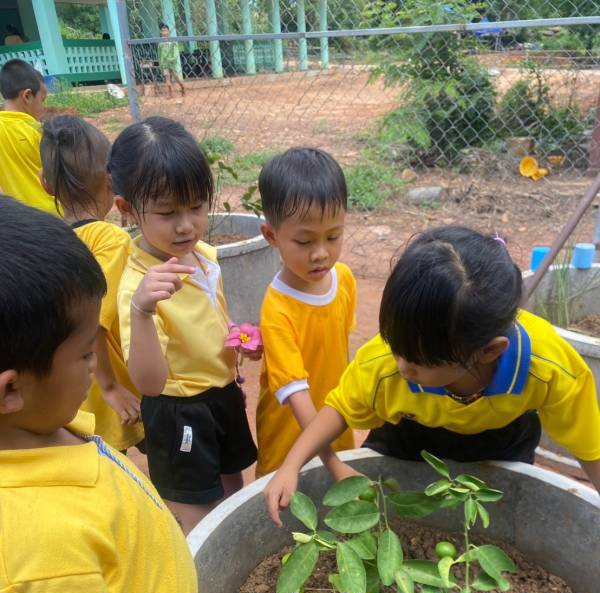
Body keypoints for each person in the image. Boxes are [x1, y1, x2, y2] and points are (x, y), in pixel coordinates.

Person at [0, 195, 240, 593]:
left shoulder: (49, 428)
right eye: (86, 354)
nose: (97, 372)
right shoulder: (36, 542)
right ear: (10, 391)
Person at [265, 225, 600, 525]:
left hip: (501, 440)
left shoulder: (549, 369)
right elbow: (338, 409)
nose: (401, 365)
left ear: (489, 351)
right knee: (390, 510)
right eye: (395, 343)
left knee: (496, 520)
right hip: (410, 435)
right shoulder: (386, 362)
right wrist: (291, 465)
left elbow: (590, 447)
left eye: (417, 360)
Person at [112, 116, 257, 534]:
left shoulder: (205, 255)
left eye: (196, 207)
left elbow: (212, 316)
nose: (186, 224)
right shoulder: (138, 287)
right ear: (126, 209)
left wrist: (236, 341)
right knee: (203, 516)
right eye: (167, 212)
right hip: (179, 414)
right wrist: (142, 312)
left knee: (235, 489)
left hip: (221, 396)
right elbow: (150, 384)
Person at [40, 114, 144, 452]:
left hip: (70, 378)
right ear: (110, 180)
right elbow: (93, 319)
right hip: (106, 378)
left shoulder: (48, 237)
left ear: (45, 183)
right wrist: (111, 386)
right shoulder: (109, 239)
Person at [255, 147, 357, 478]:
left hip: (335, 422)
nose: (320, 253)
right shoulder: (278, 307)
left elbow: (341, 353)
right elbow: (295, 392)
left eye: (333, 236)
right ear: (271, 235)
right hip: (288, 437)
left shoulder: (344, 280)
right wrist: (332, 462)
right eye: (304, 241)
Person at [0, 58, 57, 215]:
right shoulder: (39, 132)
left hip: (18, 224)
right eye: (42, 100)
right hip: (53, 218)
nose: (43, 107)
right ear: (27, 96)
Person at [158, 22, 185, 98]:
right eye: (163, 31)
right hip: (165, 63)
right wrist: (160, 63)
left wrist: (172, 59)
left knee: (176, 78)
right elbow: (159, 54)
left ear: (169, 32)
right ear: (161, 32)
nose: (164, 32)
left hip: (172, 63)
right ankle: (170, 94)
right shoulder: (160, 43)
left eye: (165, 30)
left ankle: (182, 87)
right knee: (167, 78)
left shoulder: (173, 41)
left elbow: (176, 53)